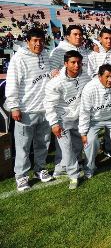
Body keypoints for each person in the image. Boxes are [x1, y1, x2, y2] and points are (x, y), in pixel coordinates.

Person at [5, 28, 54, 191]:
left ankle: (40, 169)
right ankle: (21, 176)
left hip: (45, 109)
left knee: (43, 143)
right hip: (25, 110)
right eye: (34, 40)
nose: (38, 43)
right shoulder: (19, 58)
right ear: (28, 41)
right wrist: (14, 106)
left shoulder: (47, 55)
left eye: (40, 40)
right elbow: (12, 83)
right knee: (23, 146)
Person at [44, 50, 90, 189]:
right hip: (62, 119)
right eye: (73, 62)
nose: (76, 65)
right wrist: (54, 123)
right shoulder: (55, 82)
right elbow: (49, 104)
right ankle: (74, 176)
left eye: (79, 63)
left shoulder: (85, 76)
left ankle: (68, 168)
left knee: (77, 145)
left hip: (79, 117)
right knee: (67, 148)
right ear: (65, 63)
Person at [79, 64, 111, 178]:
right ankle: (89, 168)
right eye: (107, 76)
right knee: (90, 141)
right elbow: (84, 112)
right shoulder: (89, 88)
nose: (110, 80)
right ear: (99, 76)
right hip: (94, 120)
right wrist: (83, 133)